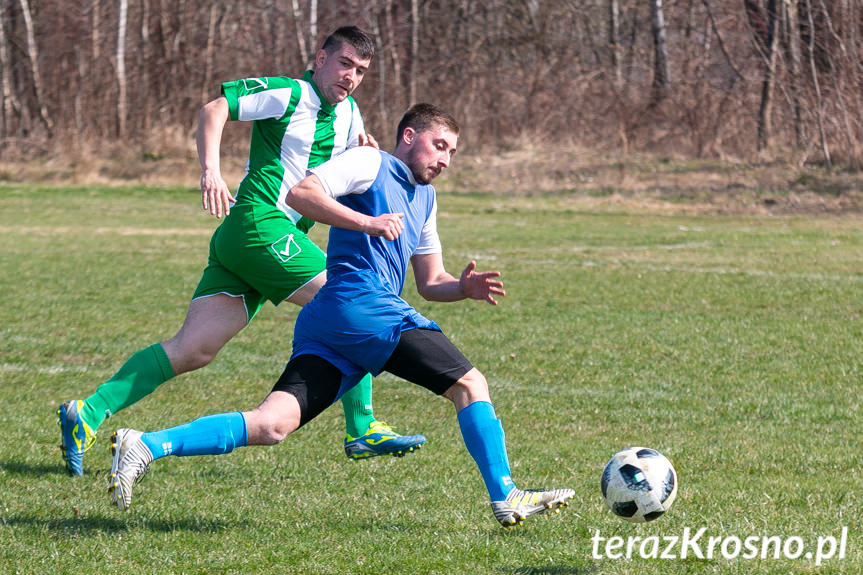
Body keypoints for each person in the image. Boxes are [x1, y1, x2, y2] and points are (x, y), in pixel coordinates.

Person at [108, 103, 574, 527]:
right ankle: (506, 494)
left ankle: (147, 444)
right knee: (470, 385)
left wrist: (463, 288)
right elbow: (301, 193)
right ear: (409, 136)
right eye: (439, 145)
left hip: (332, 322)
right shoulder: (371, 163)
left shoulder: (425, 199)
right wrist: (366, 222)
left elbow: (431, 281)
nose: (446, 160)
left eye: (452, 151)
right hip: (364, 308)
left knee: (272, 425)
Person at [57, 26, 424, 477]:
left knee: (194, 349)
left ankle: (88, 413)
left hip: (260, 242)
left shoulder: (350, 115)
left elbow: (345, 175)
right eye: (345, 63)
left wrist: (366, 152)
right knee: (347, 300)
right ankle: (362, 427)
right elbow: (214, 110)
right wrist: (211, 171)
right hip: (258, 224)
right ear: (320, 57)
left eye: (361, 70)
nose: (351, 76)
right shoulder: (289, 92)